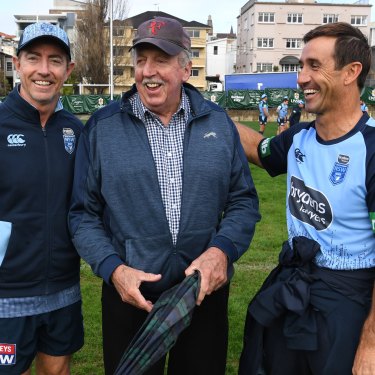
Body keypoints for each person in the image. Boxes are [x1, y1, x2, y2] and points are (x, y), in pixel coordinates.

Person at [68, 16, 260, 375]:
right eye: (141, 60)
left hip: (201, 291)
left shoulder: (218, 123)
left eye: (161, 60)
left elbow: (243, 201)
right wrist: (114, 270)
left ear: (186, 68)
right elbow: (82, 214)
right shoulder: (102, 128)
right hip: (130, 293)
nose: (148, 71)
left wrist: (221, 252)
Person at [236, 22, 375, 375]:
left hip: (348, 303)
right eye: (301, 66)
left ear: (351, 72)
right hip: (295, 286)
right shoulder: (300, 137)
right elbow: (257, 149)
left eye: (314, 65)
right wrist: (200, 110)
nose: (301, 78)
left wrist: (370, 343)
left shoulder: (371, 150)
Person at [0, 23, 84, 375]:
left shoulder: (77, 131)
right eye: (34, 58)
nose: (44, 70)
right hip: (6, 294)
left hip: (63, 288)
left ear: (68, 69)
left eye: (55, 60)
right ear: (18, 64)